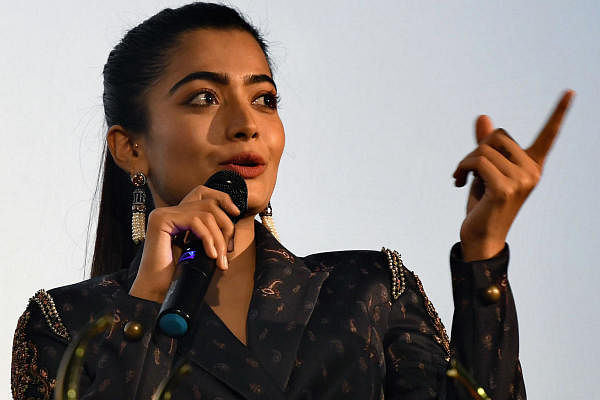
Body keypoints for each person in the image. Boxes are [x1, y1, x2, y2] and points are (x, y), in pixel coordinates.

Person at [11, 2, 573, 399]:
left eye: (264, 98)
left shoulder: (371, 291)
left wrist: (483, 255)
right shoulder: (63, 324)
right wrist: (146, 305)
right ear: (130, 147)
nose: (246, 125)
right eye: (204, 97)